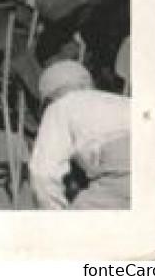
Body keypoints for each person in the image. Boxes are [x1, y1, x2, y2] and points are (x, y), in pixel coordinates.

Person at [27, 61, 130, 209]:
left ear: (49, 100)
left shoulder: (59, 107)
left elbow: (43, 175)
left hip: (121, 167)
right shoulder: (118, 100)